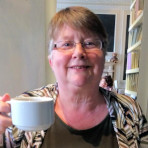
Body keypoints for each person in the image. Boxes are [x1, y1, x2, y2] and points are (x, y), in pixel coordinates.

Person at [0, 6, 148, 148]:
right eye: (66, 44)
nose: (79, 52)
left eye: (90, 43)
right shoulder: (24, 107)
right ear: (51, 60)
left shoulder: (129, 110)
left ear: (103, 57)